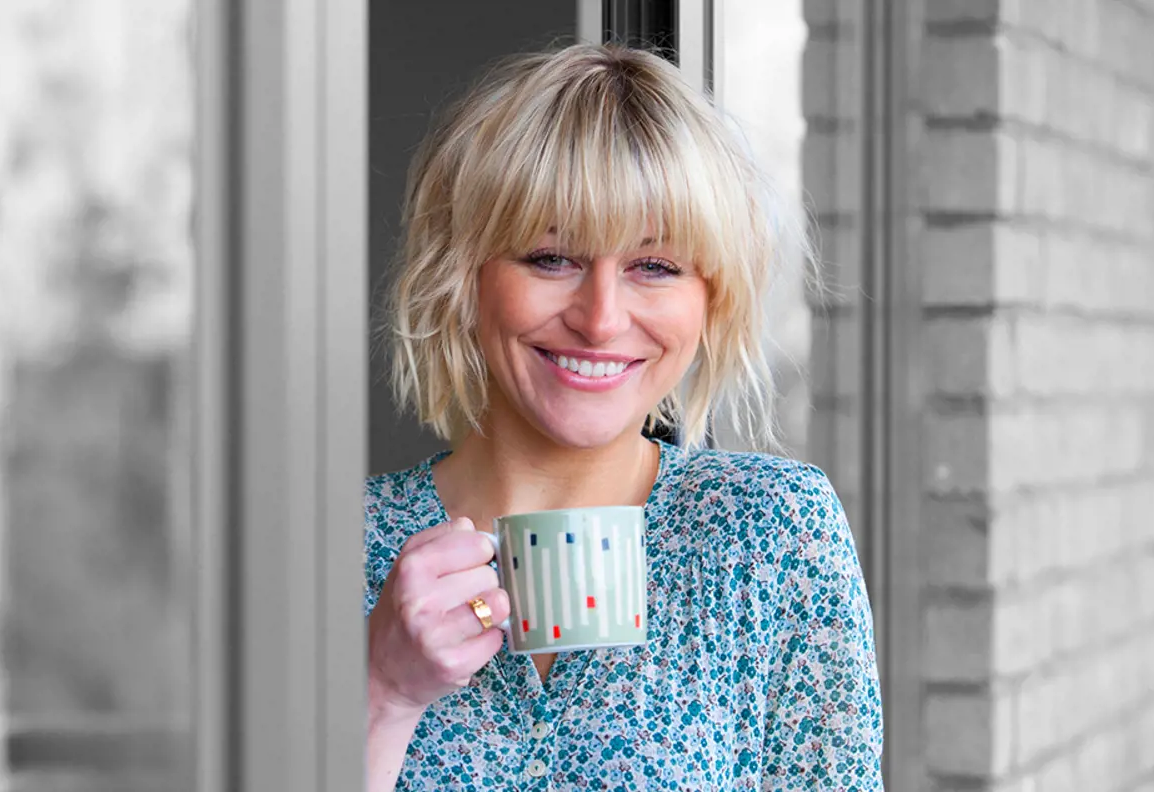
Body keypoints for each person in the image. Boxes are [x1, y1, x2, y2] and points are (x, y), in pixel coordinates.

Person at [364, 43, 883, 790]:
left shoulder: (771, 536)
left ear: (710, 298)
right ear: (463, 278)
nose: (601, 320)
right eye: (551, 258)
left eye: (655, 266)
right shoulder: (338, 552)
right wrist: (383, 692)